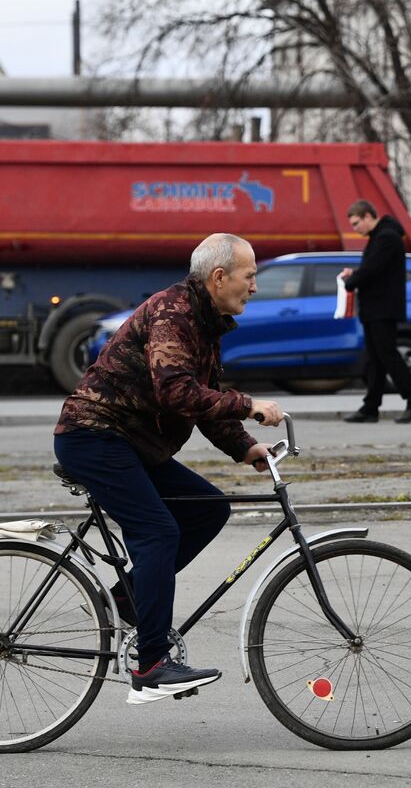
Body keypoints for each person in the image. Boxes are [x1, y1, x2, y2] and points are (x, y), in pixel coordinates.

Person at [53, 233, 286, 703]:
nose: (255, 287)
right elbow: (176, 391)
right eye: (250, 276)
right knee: (158, 532)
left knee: (207, 509)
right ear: (219, 278)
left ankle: (129, 598)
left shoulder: (205, 321)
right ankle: (152, 665)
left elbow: (200, 402)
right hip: (95, 436)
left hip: (129, 442)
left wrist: (245, 449)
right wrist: (248, 405)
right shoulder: (174, 314)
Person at [340, 199, 411, 424]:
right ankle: (370, 408)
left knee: (387, 355)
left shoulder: (387, 237)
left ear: (369, 216)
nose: (355, 228)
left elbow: (373, 269)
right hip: (376, 308)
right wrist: (356, 275)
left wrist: (352, 281)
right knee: (376, 358)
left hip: (383, 308)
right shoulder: (381, 236)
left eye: (356, 223)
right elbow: (374, 269)